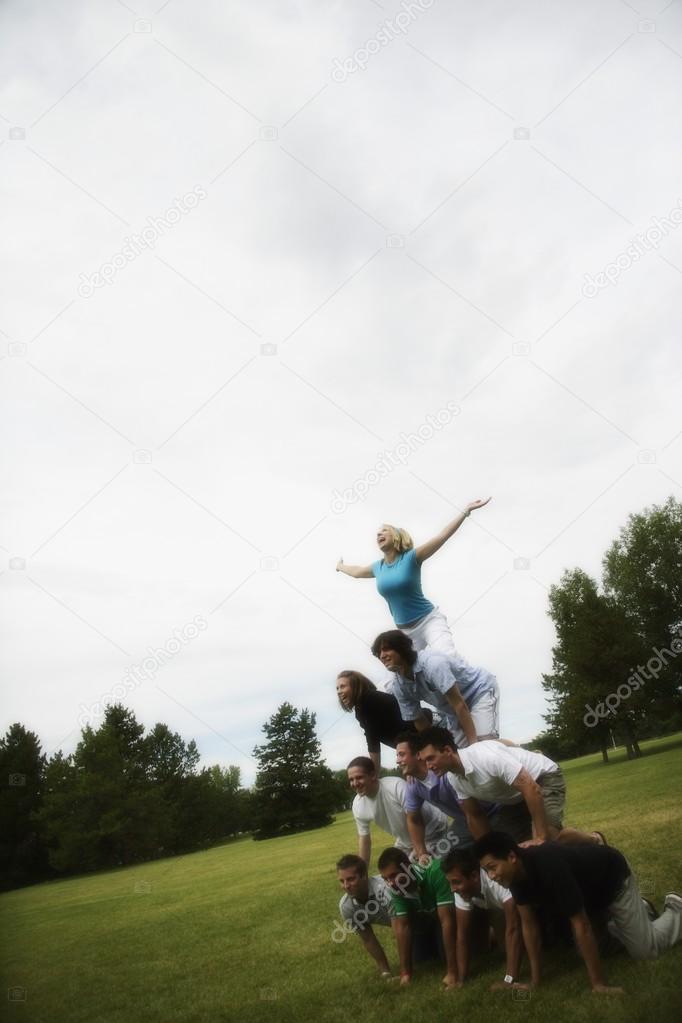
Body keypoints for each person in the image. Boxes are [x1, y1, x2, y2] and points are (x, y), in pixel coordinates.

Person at [475, 831, 682, 994]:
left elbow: (581, 925)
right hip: (588, 896)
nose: (492, 876)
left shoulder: (548, 864)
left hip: (612, 881)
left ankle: (676, 909)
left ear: (511, 857)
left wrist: (598, 984)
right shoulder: (514, 878)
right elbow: (530, 927)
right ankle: (640, 910)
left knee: (646, 951)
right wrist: (534, 982)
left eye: (492, 868)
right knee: (597, 948)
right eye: (487, 871)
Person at [335, 499, 491, 655]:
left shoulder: (411, 557)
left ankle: (477, 679)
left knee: (447, 656)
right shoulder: (378, 567)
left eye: (384, 531)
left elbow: (442, 536)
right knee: (410, 675)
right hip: (405, 632)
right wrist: (340, 566)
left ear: (396, 536)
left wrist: (466, 511)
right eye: (377, 533)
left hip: (429, 621)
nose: (378, 534)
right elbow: (357, 572)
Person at [416, 726, 602, 845]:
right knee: (509, 848)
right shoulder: (453, 778)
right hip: (516, 797)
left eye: (431, 758)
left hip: (543, 778)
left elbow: (531, 788)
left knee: (549, 840)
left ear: (448, 750)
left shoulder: (486, 758)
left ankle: (595, 840)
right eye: (424, 761)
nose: (428, 766)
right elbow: (474, 816)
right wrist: (488, 854)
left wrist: (540, 838)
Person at [372, 630, 499, 748]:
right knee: (454, 754)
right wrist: (435, 748)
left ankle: (514, 751)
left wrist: (474, 747)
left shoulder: (432, 664)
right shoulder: (398, 686)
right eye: (379, 653)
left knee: (483, 745)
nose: (382, 656)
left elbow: (459, 704)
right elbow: (419, 720)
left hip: (478, 692)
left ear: (402, 648)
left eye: (386, 649)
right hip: (453, 711)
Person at [395, 731, 498, 855]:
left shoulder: (444, 772)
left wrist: (484, 851)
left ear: (418, 755)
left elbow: (474, 814)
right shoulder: (413, 784)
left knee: (497, 850)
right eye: (397, 756)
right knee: (442, 855)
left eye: (401, 755)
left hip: (492, 811)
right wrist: (421, 853)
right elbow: (413, 820)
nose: (397, 761)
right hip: (465, 820)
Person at [440, 846, 522, 990]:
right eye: (450, 883)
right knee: (503, 948)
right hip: (501, 907)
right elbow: (462, 936)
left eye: (456, 882)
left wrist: (508, 980)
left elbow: (514, 929)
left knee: (521, 940)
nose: (453, 889)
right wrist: (461, 980)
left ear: (474, 876)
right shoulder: (461, 891)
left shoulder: (497, 881)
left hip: (531, 902)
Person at [378, 846, 458, 987]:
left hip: (454, 916)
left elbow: (447, 921)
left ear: (408, 867)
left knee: (457, 954)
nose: (390, 883)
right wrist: (405, 973)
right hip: (430, 920)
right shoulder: (395, 889)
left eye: (393, 875)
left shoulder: (435, 872)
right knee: (421, 959)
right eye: (385, 879)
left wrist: (452, 972)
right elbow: (403, 927)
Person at [347, 756, 448, 864]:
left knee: (412, 872)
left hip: (432, 831)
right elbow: (364, 840)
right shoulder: (358, 805)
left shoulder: (395, 786)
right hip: (406, 842)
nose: (355, 783)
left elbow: (416, 820)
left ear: (372, 775)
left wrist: (419, 851)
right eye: (351, 780)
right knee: (390, 868)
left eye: (359, 778)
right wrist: (362, 872)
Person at [336, 670, 416, 770]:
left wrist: (374, 775)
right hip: (415, 747)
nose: (339, 691)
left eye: (343, 686)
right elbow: (373, 740)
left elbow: (373, 742)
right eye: (337, 688)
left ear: (355, 685)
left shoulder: (370, 700)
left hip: (423, 738)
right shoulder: (361, 708)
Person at [335, 854, 396, 976]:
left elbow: (402, 927)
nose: (346, 886)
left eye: (351, 879)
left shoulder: (385, 888)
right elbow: (368, 938)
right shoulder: (346, 906)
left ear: (364, 876)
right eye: (342, 881)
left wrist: (406, 972)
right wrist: (386, 972)